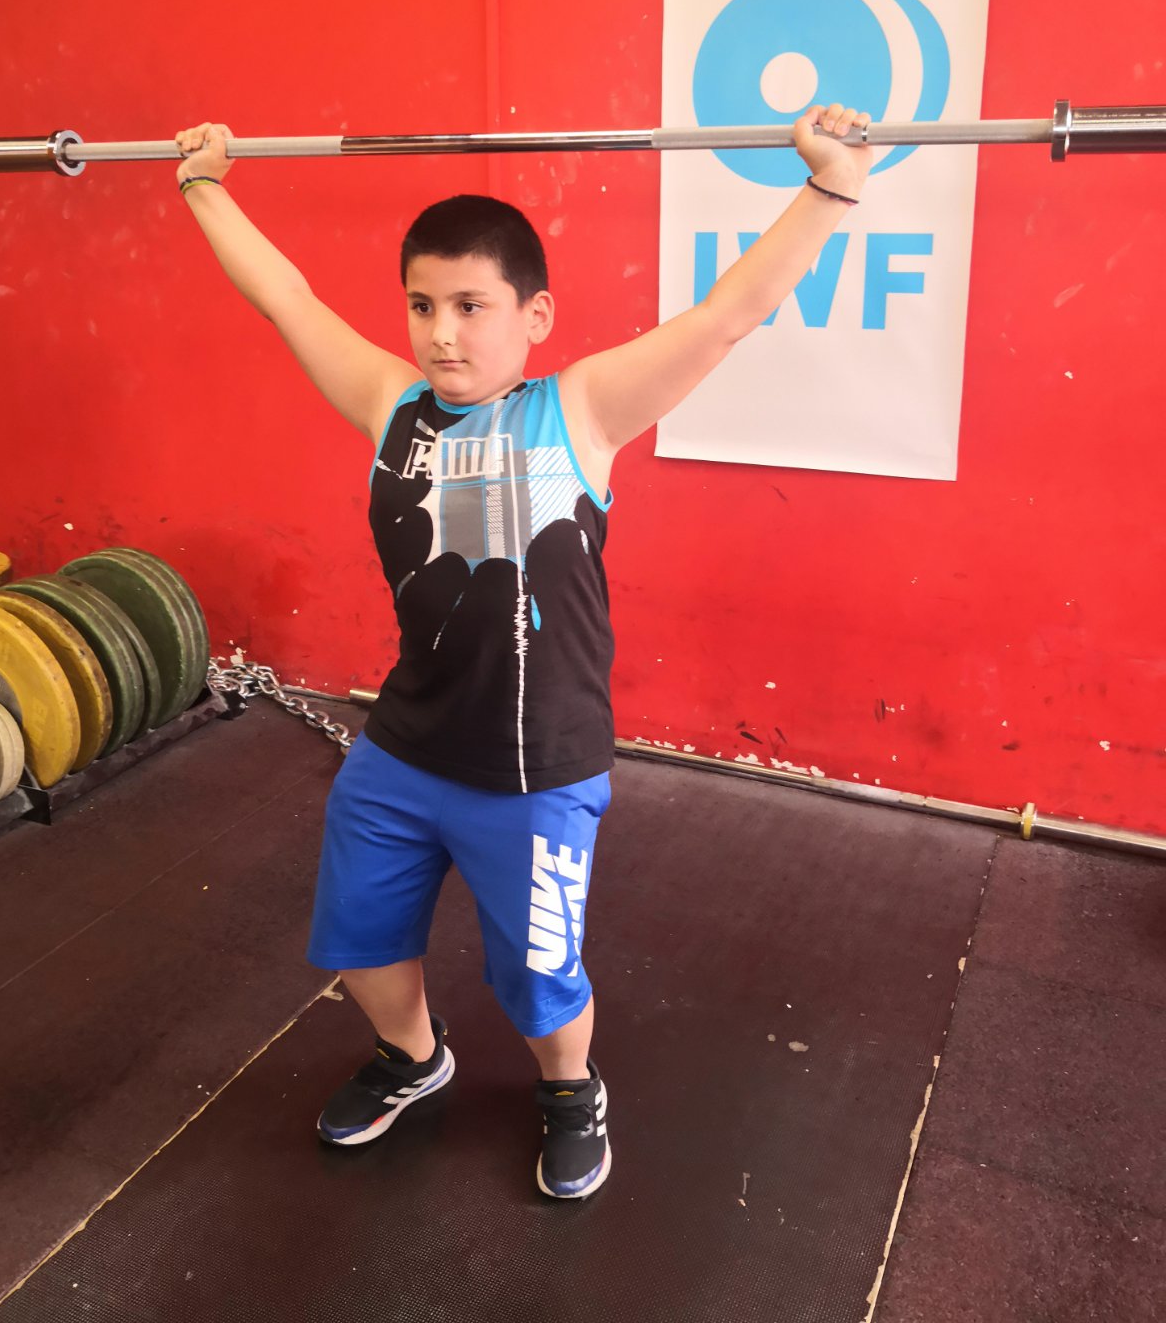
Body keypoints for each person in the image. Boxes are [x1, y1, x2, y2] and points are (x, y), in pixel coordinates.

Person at [173, 104, 872, 1199]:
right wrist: (203, 185)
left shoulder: (579, 410)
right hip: (404, 746)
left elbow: (727, 316)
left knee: (539, 979)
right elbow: (286, 298)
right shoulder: (392, 406)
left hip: (536, 764)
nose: (441, 334)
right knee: (359, 942)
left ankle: (570, 1088)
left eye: (471, 306)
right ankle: (414, 1057)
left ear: (535, 315)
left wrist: (831, 187)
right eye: (422, 305)